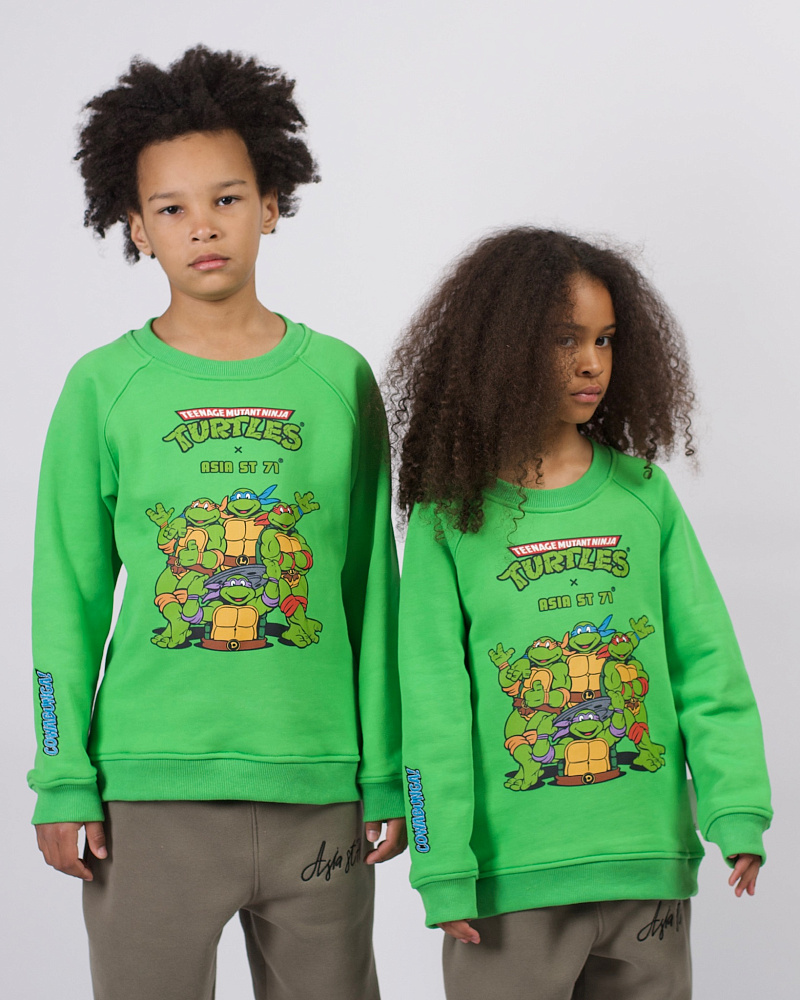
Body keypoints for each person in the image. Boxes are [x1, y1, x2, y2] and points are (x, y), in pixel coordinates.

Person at [28, 46, 405, 1000]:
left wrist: (388, 772)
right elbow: (65, 598)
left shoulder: (340, 381)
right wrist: (61, 774)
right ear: (135, 227)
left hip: (319, 787)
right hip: (148, 793)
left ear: (271, 204)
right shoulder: (103, 388)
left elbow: (373, 594)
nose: (203, 226)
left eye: (227, 198)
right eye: (171, 208)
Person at [386, 228, 771, 999]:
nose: (592, 362)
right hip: (508, 886)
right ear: (501, 350)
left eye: (605, 339)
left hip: (647, 870)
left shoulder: (643, 496)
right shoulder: (449, 515)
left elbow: (707, 664)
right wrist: (439, 861)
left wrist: (735, 809)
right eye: (565, 340)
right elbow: (430, 701)